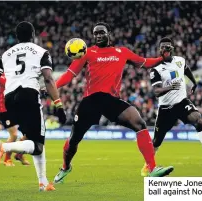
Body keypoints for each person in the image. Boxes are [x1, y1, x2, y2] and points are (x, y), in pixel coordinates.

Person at [53, 22, 174, 184]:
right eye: (95, 33)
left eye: (101, 32)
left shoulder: (122, 52)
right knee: (74, 139)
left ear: (109, 33)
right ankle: (65, 167)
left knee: (138, 122)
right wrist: (52, 87)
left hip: (111, 100)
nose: (98, 36)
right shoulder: (86, 53)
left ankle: (152, 168)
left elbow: (144, 62)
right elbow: (69, 75)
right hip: (91, 100)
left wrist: (162, 59)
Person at [0, 21, 66, 191]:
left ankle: (43, 182)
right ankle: (3, 147)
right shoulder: (41, 52)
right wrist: (59, 104)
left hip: (10, 99)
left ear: (17, 36)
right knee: (38, 144)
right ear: (33, 35)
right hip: (28, 95)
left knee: (33, 140)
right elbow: (48, 79)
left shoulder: (5, 55)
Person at [141, 37, 202, 176]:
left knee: (198, 121)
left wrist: (194, 83)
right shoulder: (156, 68)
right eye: (162, 47)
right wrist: (170, 87)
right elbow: (156, 91)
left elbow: (186, 69)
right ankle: (147, 166)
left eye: (167, 46)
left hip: (182, 102)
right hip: (166, 108)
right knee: (156, 142)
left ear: (171, 48)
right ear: (160, 50)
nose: (165, 49)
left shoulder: (180, 60)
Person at [0, 74, 30, 166]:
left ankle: (19, 155)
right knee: (14, 134)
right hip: (5, 109)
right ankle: (7, 159)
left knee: (29, 133)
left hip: (18, 108)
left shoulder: (18, 74)